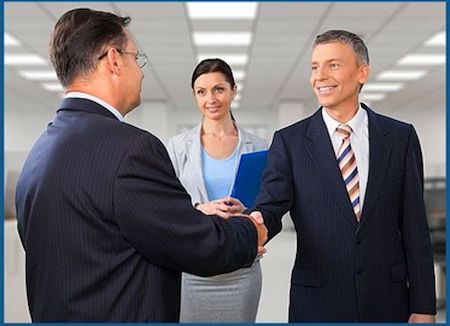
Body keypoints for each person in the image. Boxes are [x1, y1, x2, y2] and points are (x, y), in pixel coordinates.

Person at [14, 8, 267, 322]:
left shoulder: (41, 150)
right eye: (137, 58)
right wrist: (249, 230)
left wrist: (190, 213)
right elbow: (196, 246)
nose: (142, 71)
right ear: (114, 60)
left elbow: (105, 232)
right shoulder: (133, 148)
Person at [249, 30, 436, 322]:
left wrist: (424, 306)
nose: (319, 76)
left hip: (388, 300)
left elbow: (415, 227)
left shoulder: (400, 138)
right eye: (314, 67)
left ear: (362, 72)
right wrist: (255, 225)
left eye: (333, 65)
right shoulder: (290, 141)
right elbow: (271, 207)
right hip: (319, 302)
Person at [166, 58, 268, 322]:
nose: (210, 98)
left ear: (233, 90)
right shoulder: (177, 148)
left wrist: (250, 212)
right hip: (192, 270)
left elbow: (268, 205)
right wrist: (200, 208)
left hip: (241, 269)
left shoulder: (258, 147)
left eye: (219, 89)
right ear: (195, 96)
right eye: (202, 92)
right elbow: (165, 208)